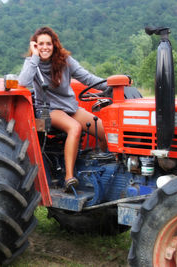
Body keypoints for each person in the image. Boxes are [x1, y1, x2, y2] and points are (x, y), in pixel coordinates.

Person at [18, 26, 109, 192]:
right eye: (40, 44)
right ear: (35, 46)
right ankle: (69, 177)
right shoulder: (32, 63)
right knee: (74, 127)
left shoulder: (65, 61)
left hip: (70, 107)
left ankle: (107, 166)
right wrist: (35, 57)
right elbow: (23, 82)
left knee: (105, 129)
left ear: (54, 45)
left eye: (48, 43)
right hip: (49, 110)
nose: (45, 47)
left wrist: (112, 86)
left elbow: (88, 78)